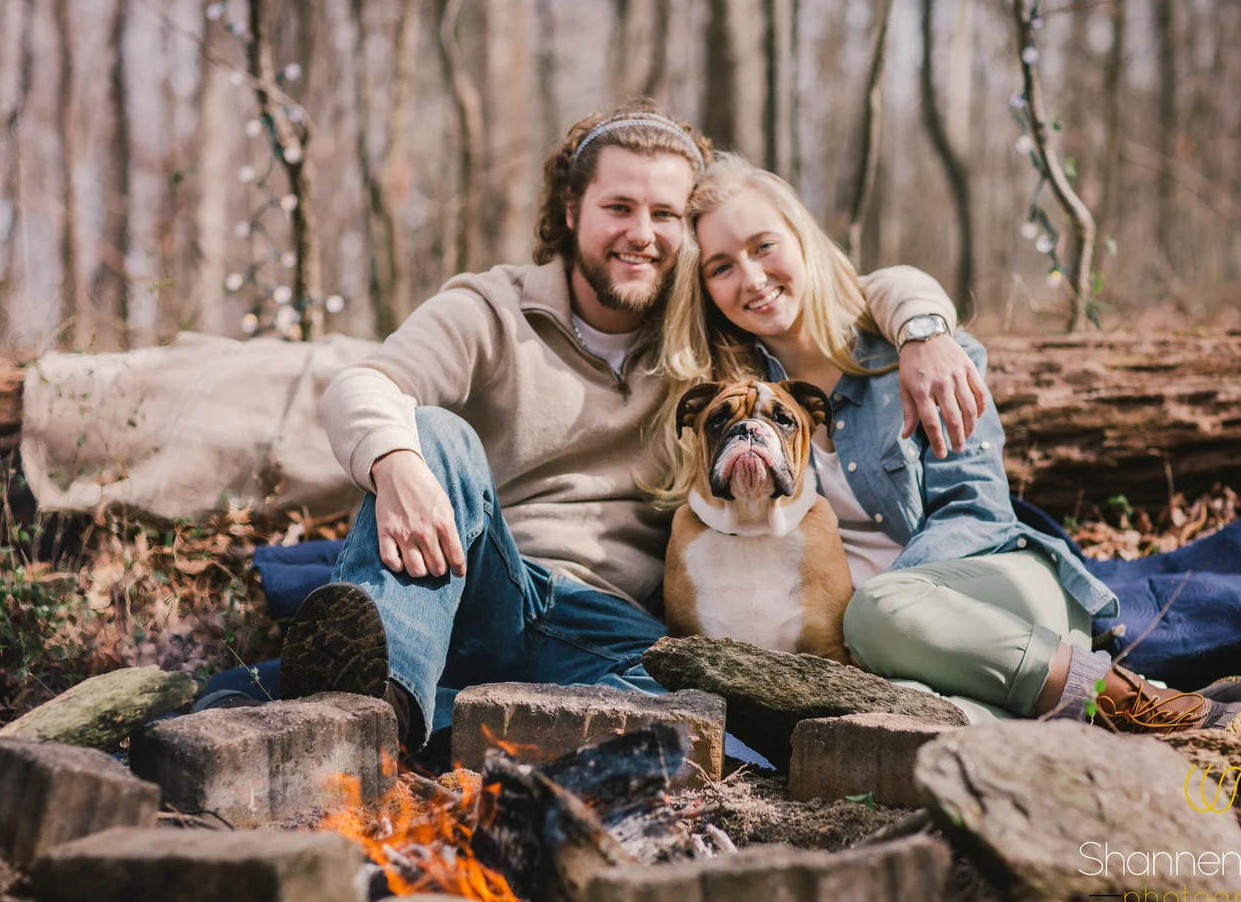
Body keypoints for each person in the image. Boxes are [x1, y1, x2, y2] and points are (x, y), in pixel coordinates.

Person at [278, 101, 984, 752]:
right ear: (571, 207)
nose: (641, 235)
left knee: (716, 729)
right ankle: (359, 719)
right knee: (432, 432)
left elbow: (848, 291)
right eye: (619, 207)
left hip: (612, 626)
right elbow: (363, 385)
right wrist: (397, 460)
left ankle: (438, 717)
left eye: (665, 215)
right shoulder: (490, 309)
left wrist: (924, 329)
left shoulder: (707, 339)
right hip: (483, 583)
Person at [647, 152, 1241, 734]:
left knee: (878, 619)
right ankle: (1129, 730)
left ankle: (1143, 700)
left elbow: (978, 510)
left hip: (990, 595)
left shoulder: (921, 359)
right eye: (721, 267)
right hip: (888, 651)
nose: (752, 277)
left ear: (802, 238)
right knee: (910, 720)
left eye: (764, 246)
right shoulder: (746, 405)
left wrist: (882, 598)